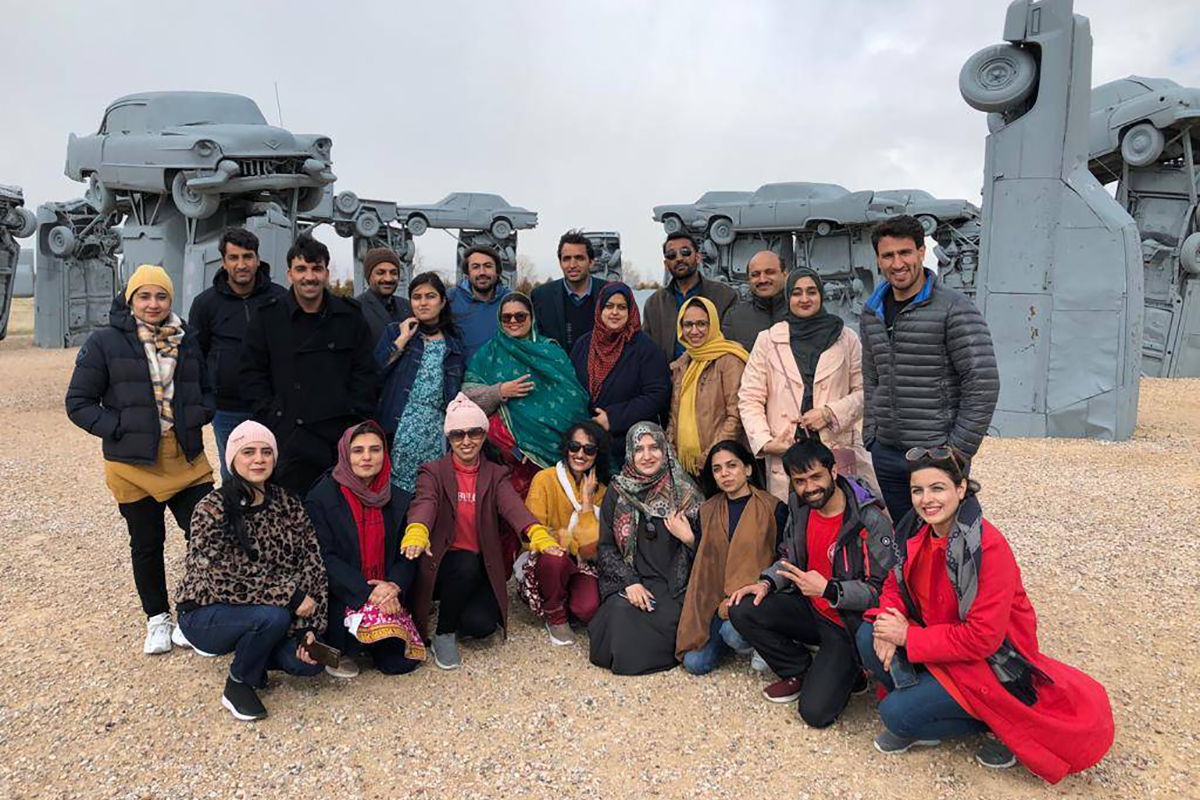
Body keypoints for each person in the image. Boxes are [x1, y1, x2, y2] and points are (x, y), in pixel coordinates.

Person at [858, 448, 1114, 782]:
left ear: (961, 488)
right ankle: (926, 697)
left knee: (895, 714)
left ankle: (995, 725)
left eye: (938, 488)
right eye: (917, 490)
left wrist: (906, 636)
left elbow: (982, 638)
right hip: (939, 640)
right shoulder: (916, 533)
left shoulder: (987, 548)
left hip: (988, 662)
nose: (926, 499)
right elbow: (894, 583)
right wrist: (887, 623)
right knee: (867, 636)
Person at [66, 264, 215, 655]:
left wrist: (200, 413)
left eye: (161, 296)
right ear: (131, 299)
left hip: (185, 458)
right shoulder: (104, 342)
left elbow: (209, 387)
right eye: (145, 296)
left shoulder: (187, 339)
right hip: (132, 464)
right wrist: (118, 427)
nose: (153, 304)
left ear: (170, 299)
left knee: (205, 535)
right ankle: (157, 618)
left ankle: (193, 610)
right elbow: (78, 402)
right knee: (146, 544)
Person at [728, 438, 892, 728]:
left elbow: (881, 591)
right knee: (742, 608)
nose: (809, 487)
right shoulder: (800, 506)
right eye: (800, 480)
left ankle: (850, 669)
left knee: (815, 714)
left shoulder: (869, 519)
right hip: (809, 606)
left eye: (816, 476)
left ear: (834, 472)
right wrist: (766, 582)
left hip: (845, 622)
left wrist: (830, 590)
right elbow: (789, 556)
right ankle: (799, 669)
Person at [175, 421, 328, 721]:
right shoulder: (211, 508)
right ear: (233, 458)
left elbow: (312, 564)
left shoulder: (288, 503)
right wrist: (290, 595)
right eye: (248, 452)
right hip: (207, 610)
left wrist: (309, 628)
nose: (259, 459)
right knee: (272, 616)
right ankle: (239, 683)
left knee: (309, 663)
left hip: (270, 609)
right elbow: (221, 575)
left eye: (266, 452)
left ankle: (259, 653)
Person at [399, 394, 556, 670]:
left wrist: (536, 533)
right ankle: (443, 633)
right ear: (449, 437)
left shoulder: (495, 474)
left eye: (474, 432)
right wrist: (417, 530)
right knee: (465, 562)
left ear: (484, 435)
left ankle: (455, 607)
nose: (466, 440)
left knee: (481, 626)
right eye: (458, 434)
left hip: (478, 566)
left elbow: (512, 506)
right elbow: (425, 502)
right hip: (443, 562)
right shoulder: (433, 472)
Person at [860, 215, 999, 524]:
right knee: (906, 540)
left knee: (947, 540)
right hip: (887, 453)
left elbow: (982, 382)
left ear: (922, 252)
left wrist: (956, 452)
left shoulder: (954, 308)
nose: (897, 263)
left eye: (905, 252)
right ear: (878, 260)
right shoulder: (872, 312)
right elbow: (871, 377)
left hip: (935, 453)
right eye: (888, 255)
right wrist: (872, 436)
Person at [240, 235, 377, 496]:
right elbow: (251, 374)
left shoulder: (349, 317)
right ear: (289, 274)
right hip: (288, 439)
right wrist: (271, 417)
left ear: (327, 273)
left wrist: (355, 421)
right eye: (301, 269)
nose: (309, 277)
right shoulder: (268, 318)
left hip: (337, 439)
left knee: (336, 519)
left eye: (316, 269)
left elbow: (365, 373)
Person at [739, 268, 876, 502]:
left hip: (835, 445)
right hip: (787, 449)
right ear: (788, 297)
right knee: (794, 521)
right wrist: (767, 442)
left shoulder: (846, 338)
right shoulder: (768, 340)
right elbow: (750, 397)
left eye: (811, 292)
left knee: (842, 514)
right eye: (797, 293)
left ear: (821, 295)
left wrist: (829, 413)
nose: (804, 299)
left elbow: (866, 391)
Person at [305, 420, 425, 679]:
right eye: (358, 451)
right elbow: (324, 557)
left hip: (387, 591)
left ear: (385, 453)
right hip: (345, 591)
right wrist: (369, 591)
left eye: (375, 449)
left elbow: (407, 552)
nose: (367, 457)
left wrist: (393, 585)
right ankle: (347, 644)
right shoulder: (322, 497)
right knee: (344, 647)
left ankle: (377, 638)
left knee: (396, 663)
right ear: (345, 455)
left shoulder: (399, 498)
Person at [588, 422, 703, 676]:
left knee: (653, 618)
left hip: (675, 588)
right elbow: (606, 547)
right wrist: (629, 582)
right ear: (630, 453)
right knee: (620, 612)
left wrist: (690, 539)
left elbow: (712, 555)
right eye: (639, 449)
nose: (647, 456)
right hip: (634, 581)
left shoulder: (685, 493)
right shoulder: (618, 491)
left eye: (654, 447)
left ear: (665, 449)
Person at [462, 292, 592, 496]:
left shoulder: (551, 352)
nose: (513, 321)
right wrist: (499, 391)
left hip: (555, 451)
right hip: (508, 455)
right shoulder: (489, 353)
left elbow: (574, 400)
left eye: (520, 316)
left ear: (531, 318)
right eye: (507, 317)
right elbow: (466, 400)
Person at [676, 440, 787, 675]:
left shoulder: (772, 508)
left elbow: (783, 557)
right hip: (719, 599)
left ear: (747, 469)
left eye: (732, 465)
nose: (724, 473)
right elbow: (708, 562)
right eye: (717, 469)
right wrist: (689, 540)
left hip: (757, 599)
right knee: (695, 663)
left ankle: (762, 640)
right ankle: (731, 634)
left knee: (732, 633)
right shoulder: (707, 510)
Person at [188, 227, 287, 481]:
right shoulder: (205, 304)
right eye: (234, 258)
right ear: (223, 262)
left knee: (275, 471)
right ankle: (236, 521)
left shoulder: (280, 298)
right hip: (227, 408)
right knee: (234, 473)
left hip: (271, 405)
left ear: (257, 259)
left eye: (247, 256)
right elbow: (197, 355)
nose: (241, 264)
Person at [374, 271, 466, 497]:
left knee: (431, 496)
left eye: (430, 296)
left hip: (436, 433)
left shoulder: (453, 343)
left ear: (443, 301)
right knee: (396, 499)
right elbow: (374, 373)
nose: (423, 302)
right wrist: (402, 340)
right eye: (417, 297)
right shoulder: (395, 331)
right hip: (398, 429)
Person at [521, 421, 610, 646]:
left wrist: (588, 504)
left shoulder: (601, 491)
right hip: (548, 559)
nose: (580, 454)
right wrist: (571, 545)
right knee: (556, 558)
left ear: (597, 454)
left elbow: (590, 552)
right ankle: (555, 614)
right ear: (566, 448)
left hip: (583, 564)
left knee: (587, 610)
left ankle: (565, 599)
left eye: (589, 449)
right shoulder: (545, 479)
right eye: (574, 447)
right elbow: (532, 534)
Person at [570, 283, 671, 471]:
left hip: (628, 449)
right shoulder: (583, 344)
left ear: (630, 310)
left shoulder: (644, 348)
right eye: (609, 306)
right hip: (588, 446)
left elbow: (658, 394)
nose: (614, 312)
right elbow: (572, 388)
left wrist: (613, 418)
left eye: (621, 307)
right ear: (599, 309)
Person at [665, 296, 748, 477]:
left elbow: (736, 417)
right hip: (685, 467)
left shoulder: (730, 360)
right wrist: (672, 453)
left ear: (713, 325)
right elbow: (673, 416)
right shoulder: (681, 365)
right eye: (688, 325)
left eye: (701, 324)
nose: (694, 331)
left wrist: (712, 457)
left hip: (722, 466)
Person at [642, 232, 737, 360]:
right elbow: (647, 350)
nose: (679, 258)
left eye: (685, 252)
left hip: (711, 375)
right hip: (668, 377)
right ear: (666, 264)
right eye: (671, 255)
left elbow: (731, 344)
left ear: (698, 257)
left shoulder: (725, 296)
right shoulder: (654, 304)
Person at [530, 230, 610, 353]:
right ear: (560, 262)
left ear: (591, 262)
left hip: (601, 370)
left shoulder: (609, 293)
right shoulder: (541, 297)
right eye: (566, 259)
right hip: (556, 370)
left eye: (579, 258)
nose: (572, 265)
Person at [448, 245, 512, 362]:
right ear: (467, 272)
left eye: (488, 266)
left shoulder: (510, 301)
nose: (482, 272)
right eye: (475, 267)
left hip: (503, 374)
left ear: (497, 271)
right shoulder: (451, 299)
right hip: (464, 376)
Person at [721, 250, 790, 351]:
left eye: (770, 272)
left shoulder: (803, 313)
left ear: (785, 275)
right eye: (755, 274)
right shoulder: (734, 318)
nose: (762, 280)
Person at [356, 247, 414, 347]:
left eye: (393, 273)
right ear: (369, 276)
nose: (388, 279)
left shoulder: (408, 306)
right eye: (380, 273)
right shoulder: (355, 309)